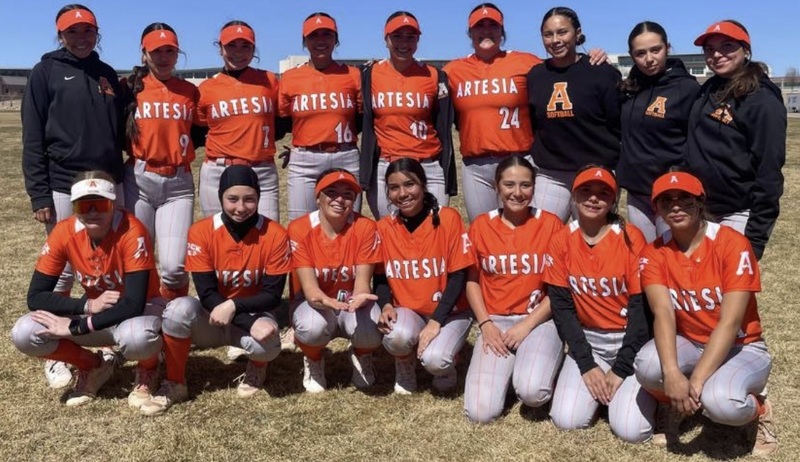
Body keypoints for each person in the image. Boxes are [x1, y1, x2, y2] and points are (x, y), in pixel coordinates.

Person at [22, 4, 126, 388]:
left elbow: (121, 127)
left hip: (107, 182)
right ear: (60, 35)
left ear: (97, 34)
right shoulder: (44, 72)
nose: (81, 39)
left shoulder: (106, 73)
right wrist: (39, 195)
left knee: (110, 260)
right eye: (72, 33)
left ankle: (111, 334)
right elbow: (33, 138)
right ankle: (57, 351)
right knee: (64, 267)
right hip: (65, 182)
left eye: (88, 32)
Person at [635, 171, 776, 455]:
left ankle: (759, 410)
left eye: (685, 199)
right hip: (691, 342)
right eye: (666, 201)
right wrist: (673, 373)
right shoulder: (654, 252)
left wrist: (695, 381)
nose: (675, 206)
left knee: (721, 403)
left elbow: (730, 322)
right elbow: (663, 313)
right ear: (657, 209)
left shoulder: (732, 243)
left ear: (700, 202)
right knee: (648, 365)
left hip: (741, 346)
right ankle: (675, 403)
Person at [139, 166, 290, 415]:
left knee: (270, 342)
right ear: (221, 197)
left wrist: (234, 307)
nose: (240, 207)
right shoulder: (201, 231)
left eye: (249, 199)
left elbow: (272, 296)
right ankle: (175, 382)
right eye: (232, 199)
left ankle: (257, 365)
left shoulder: (274, 234)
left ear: (259, 198)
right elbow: (207, 294)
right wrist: (233, 309)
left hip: (252, 315)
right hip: (213, 316)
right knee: (177, 310)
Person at [11, 171, 163, 408]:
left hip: (139, 313)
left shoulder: (132, 230)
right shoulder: (64, 232)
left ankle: (148, 369)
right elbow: (36, 296)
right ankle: (92, 366)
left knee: (137, 337)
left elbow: (134, 303)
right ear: (74, 208)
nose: (93, 212)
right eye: (84, 205)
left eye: (100, 204)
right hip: (97, 313)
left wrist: (80, 325)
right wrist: (86, 306)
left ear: (113, 204)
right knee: (24, 332)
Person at [445, 3, 607, 222]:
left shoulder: (526, 62)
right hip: (476, 166)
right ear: (470, 32)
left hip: (519, 160)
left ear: (502, 32)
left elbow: (563, 69)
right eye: (479, 26)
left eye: (492, 26)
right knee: (482, 231)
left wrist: (591, 56)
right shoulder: (453, 71)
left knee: (525, 230)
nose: (486, 31)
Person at [544, 166, 654, 443]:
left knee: (632, 431)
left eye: (603, 193)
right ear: (574, 195)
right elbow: (562, 309)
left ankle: (617, 395)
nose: (594, 198)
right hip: (589, 341)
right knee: (566, 420)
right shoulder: (560, 239)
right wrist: (586, 363)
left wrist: (621, 368)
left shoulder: (631, 238)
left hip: (627, 340)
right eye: (586, 191)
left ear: (614, 200)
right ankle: (596, 393)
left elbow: (642, 312)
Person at [463, 156, 565, 423]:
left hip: (539, 319)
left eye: (525, 185)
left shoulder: (551, 224)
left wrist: (526, 326)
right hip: (495, 321)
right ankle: (506, 375)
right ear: (496, 187)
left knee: (533, 392)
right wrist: (485, 323)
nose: (517, 193)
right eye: (509, 184)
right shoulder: (481, 225)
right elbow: (472, 280)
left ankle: (542, 367)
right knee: (480, 413)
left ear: (534, 188)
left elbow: (559, 290)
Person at [686, 20, 786, 260]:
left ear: (746, 50)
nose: (717, 55)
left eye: (727, 46)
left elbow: (769, 171)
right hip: (703, 210)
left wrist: (756, 237)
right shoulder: (709, 88)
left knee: (731, 292)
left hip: (737, 213)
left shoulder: (761, 99)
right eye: (709, 50)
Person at [375, 158, 475, 394]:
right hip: (409, 311)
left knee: (436, 360)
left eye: (410, 184)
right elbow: (379, 276)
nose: (403, 193)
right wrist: (386, 304)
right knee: (396, 335)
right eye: (394, 187)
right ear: (387, 193)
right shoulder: (383, 228)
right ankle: (404, 363)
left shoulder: (448, 218)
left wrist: (435, 322)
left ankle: (448, 363)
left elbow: (459, 276)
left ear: (423, 185)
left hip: (450, 312)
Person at [123, 22, 199, 301]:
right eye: (157, 51)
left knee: (174, 267)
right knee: (137, 258)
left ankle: (174, 323)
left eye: (170, 51)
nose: (164, 57)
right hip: (138, 179)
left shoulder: (190, 91)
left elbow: (201, 132)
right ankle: (141, 314)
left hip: (178, 183)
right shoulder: (129, 88)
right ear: (144, 54)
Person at [288, 169, 382, 393]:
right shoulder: (299, 228)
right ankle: (313, 358)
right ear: (317, 196)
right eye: (331, 192)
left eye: (348, 194)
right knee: (312, 328)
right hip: (316, 303)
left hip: (351, 302)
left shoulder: (365, 227)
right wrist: (328, 302)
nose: (340, 199)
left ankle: (362, 355)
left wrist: (357, 300)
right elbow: (310, 290)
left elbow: (362, 282)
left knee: (370, 328)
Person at [527, 7, 621, 222]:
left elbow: (615, 122)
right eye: (548, 34)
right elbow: (534, 122)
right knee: (544, 238)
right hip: (551, 172)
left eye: (562, 32)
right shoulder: (536, 76)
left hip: (595, 173)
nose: (555, 40)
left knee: (592, 241)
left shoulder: (601, 72)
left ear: (577, 33)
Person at [360, 11, 456, 219]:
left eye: (410, 37)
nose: (404, 42)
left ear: (418, 40)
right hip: (388, 165)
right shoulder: (370, 74)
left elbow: (444, 121)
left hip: (427, 165)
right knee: (390, 234)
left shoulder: (433, 75)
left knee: (434, 230)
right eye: (397, 36)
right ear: (386, 39)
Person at [617, 21, 700, 242]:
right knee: (646, 257)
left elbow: (698, 142)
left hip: (671, 194)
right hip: (638, 193)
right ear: (631, 55)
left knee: (673, 259)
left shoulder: (688, 89)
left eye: (656, 50)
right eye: (640, 53)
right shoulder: (629, 88)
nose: (649, 58)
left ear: (668, 48)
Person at [278, 13, 363, 221]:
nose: (321, 41)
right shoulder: (290, 78)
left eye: (327, 34)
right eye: (314, 36)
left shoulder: (353, 75)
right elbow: (284, 120)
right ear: (305, 41)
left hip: (346, 156)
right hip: (305, 159)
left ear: (336, 40)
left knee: (348, 225)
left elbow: (360, 119)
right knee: (301, 226)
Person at [197, 20, 282, 221]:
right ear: (220, 48)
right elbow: (199, 129)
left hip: (261, 168)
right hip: (219, 169)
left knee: (267, 235)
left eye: (246, 46)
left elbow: (282, 121)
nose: (238, 52)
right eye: (231, 46)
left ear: (254, 49)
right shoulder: (207, 88)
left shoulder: (269, 81)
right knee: (219, 237)